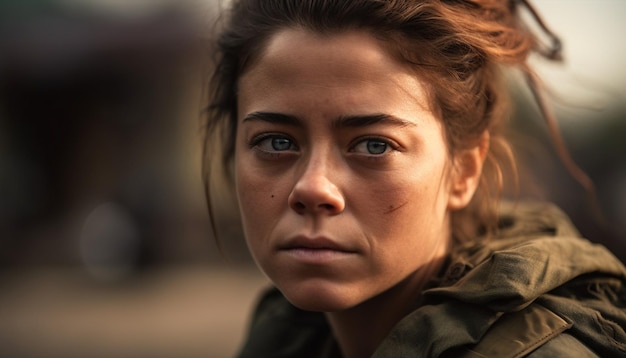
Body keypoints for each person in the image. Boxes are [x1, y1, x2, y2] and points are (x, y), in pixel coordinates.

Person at [203, 0, 626, 357]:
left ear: (465, 169)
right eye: (276, 143)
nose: (314, 188)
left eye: (374, 146)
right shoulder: (288, 338)